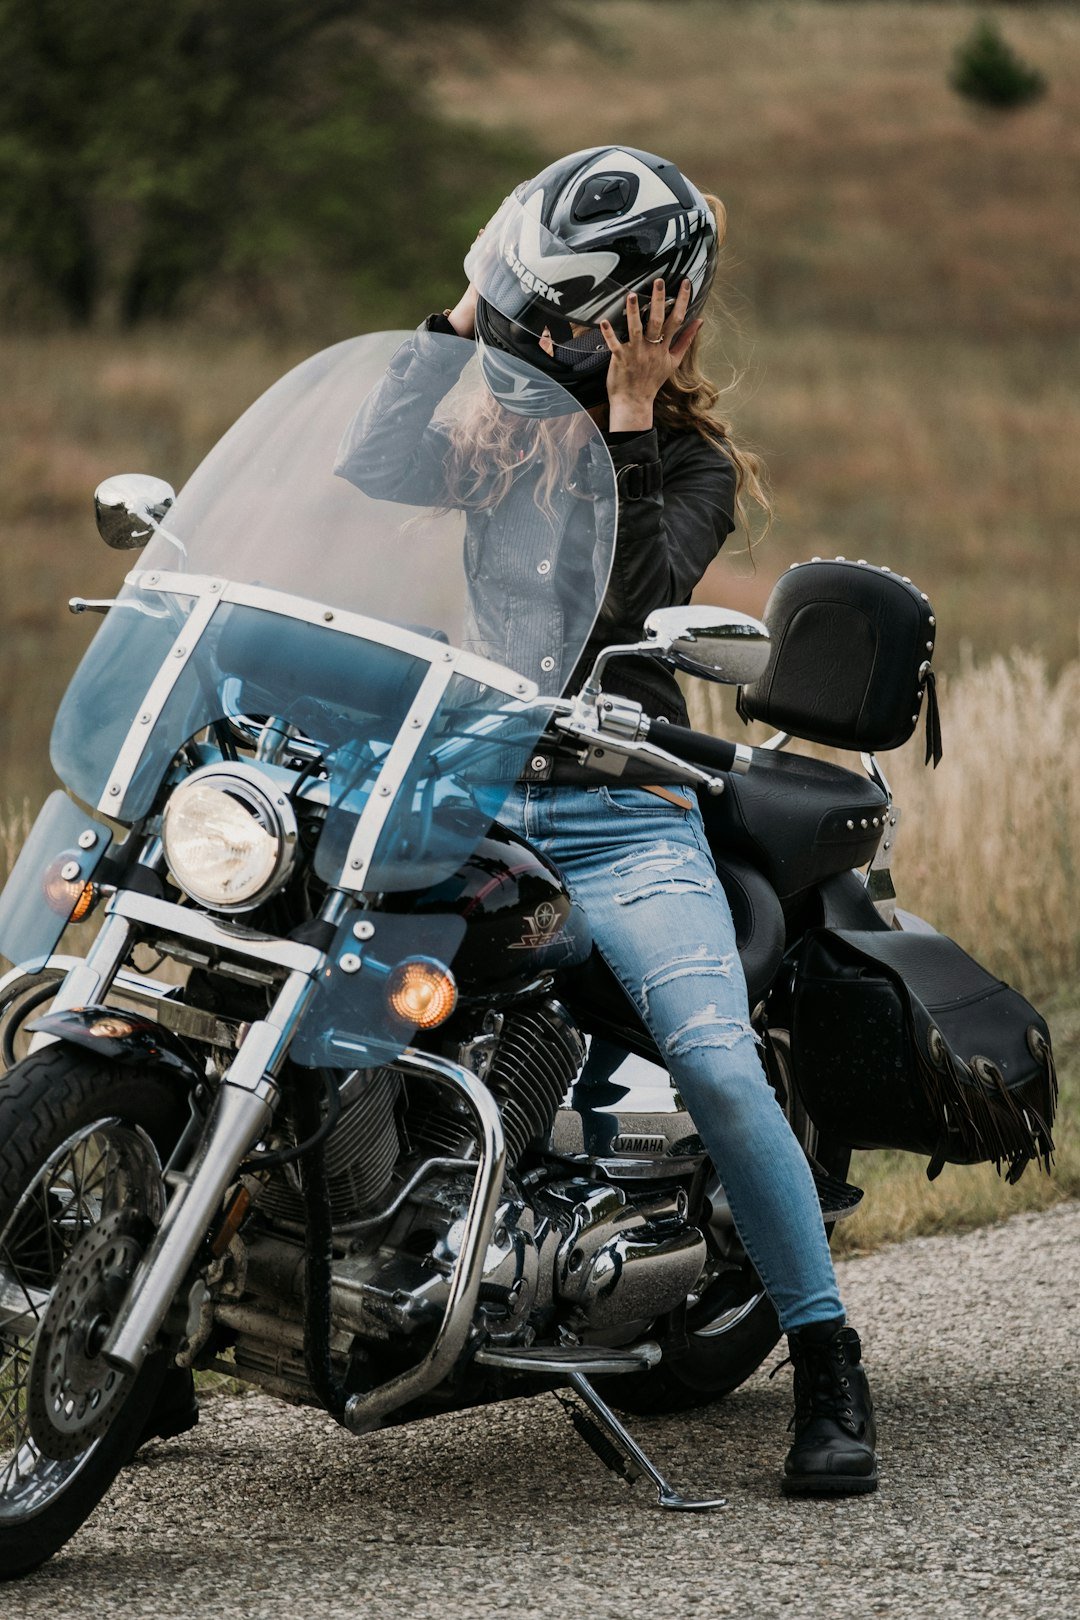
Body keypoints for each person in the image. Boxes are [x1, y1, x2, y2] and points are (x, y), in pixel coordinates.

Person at [340, 146, 878, 1497]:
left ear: (663, 316)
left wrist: (629, 410)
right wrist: (465, 314)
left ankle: (827, 1363)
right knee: (296, 965)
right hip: (472, 784)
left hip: (615, 810)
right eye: (556, 312)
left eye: (599, 317)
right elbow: (370, 458)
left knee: (714, 1060)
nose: (566, 338)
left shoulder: (686, 462)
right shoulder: (496, 435)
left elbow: (632, 601)